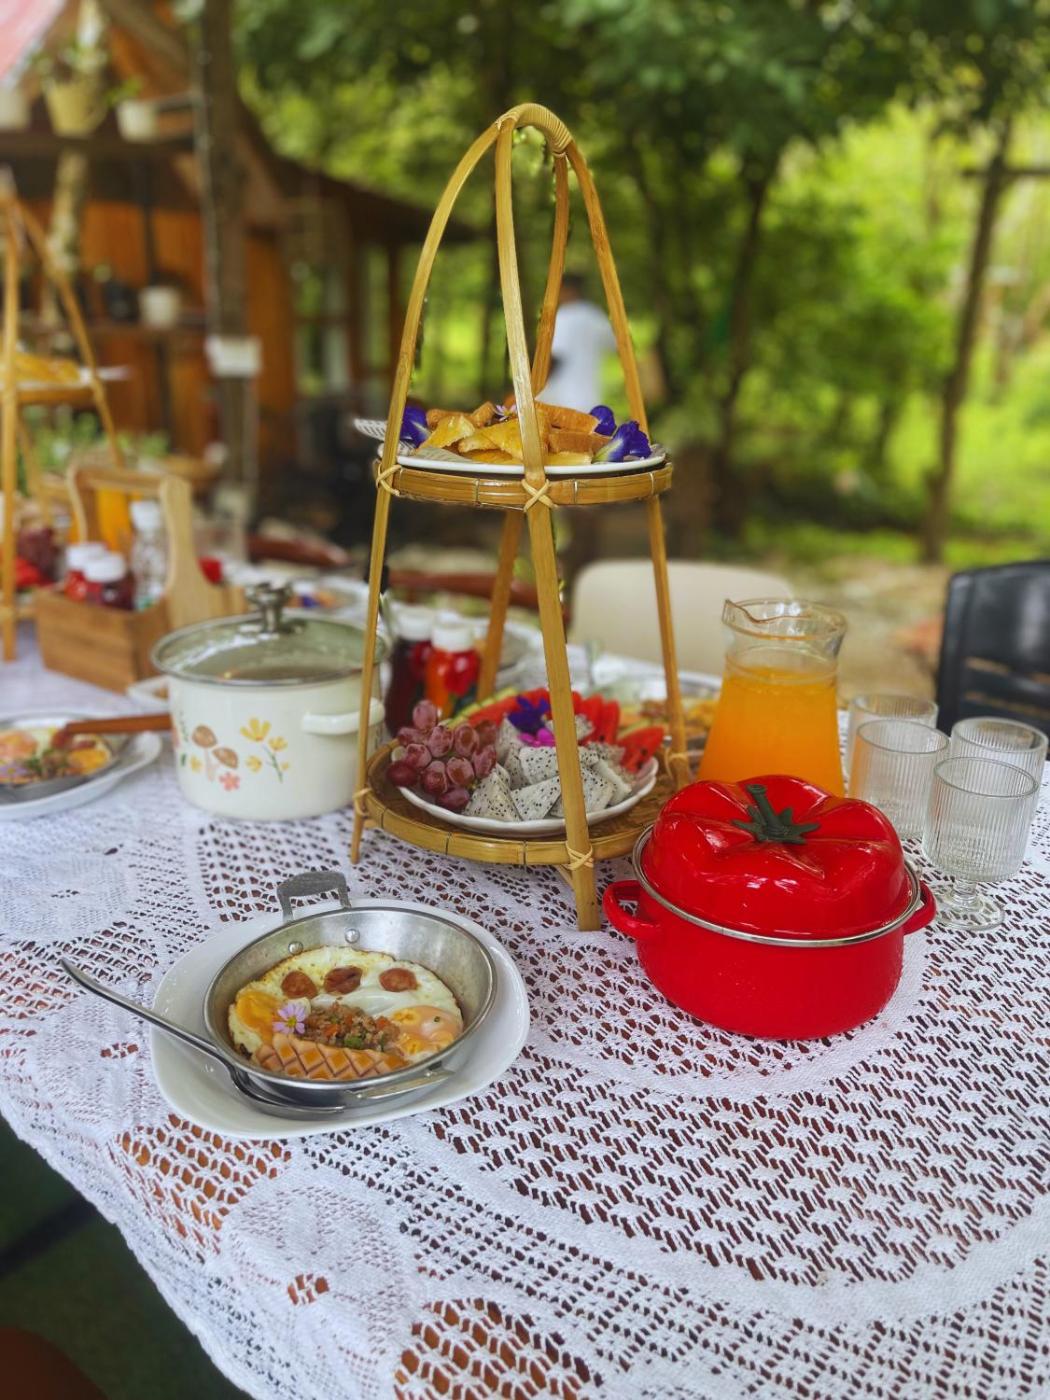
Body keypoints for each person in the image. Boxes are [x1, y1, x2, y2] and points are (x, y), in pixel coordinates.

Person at [541, 273, 616, 411]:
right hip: (590, 398)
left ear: (567, 289)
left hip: (561, 399)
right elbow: (616, 346)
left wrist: (537, 385)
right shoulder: (596, 315)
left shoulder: (563, 316)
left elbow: (555, 357)